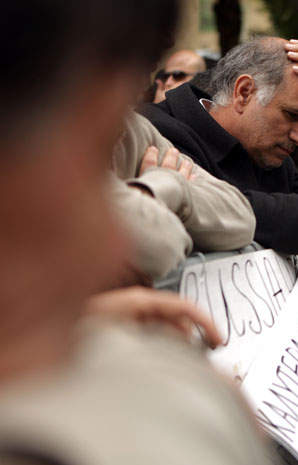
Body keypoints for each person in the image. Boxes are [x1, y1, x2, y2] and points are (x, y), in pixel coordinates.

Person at [0, 0, 276, 464]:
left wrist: (162, 191)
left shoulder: (131, 130)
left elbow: (239, 215)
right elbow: (153, 242)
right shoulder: (154, 413)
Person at [142, 37, 298, 294]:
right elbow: (212, 209)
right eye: (293, 116)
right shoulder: (159, 132)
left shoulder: (270, 152)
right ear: (244, 93)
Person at [111, 113, 257, 281]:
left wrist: (167, 187)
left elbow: (241, 218)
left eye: (143, 85)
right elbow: (163, 246)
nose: (136, 94)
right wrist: (156, 189)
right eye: (290, 114)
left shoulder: (132, 127)